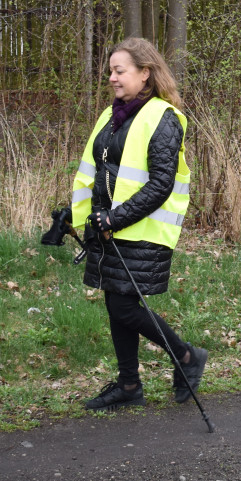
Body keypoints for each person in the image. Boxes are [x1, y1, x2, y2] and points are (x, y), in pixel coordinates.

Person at [71, 37, 207, 411]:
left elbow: (161, 184)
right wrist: (75, 215)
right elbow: (99, 172)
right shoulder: (112, 115)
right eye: (110, 71)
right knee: (117, 303)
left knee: (125, 308)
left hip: (142, 229)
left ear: (145, 73)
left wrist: (116, 217)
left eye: (120, 71)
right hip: (110, 229)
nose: (112, 78)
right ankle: (129, 385)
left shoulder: (163, 117)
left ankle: (187, 356)